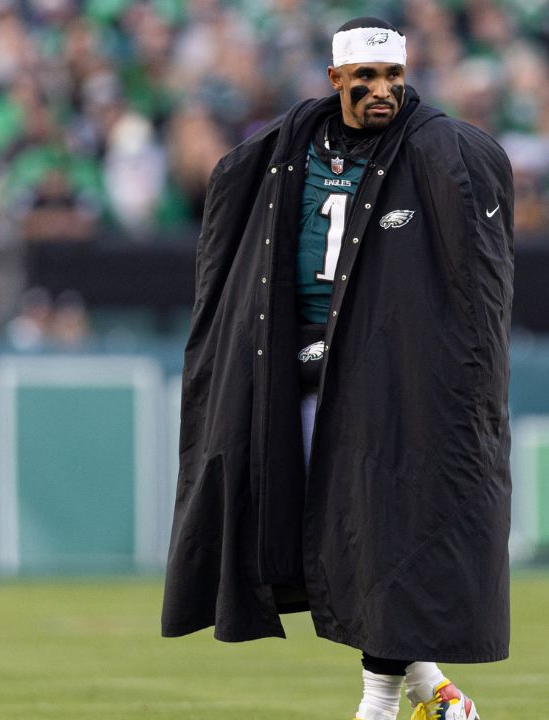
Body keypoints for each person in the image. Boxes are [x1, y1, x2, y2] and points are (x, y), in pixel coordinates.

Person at [161, 18, 514, 720]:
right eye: (367, 79)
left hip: (386, 383)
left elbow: (477, 289)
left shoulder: (442, 152)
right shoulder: (283, 152)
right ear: (335, 80)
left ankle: (379, 702)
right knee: (324, 540)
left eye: (393, 78)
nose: (383, 91)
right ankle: (428, 687)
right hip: (293, 377)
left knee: (386, 533)